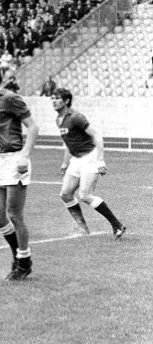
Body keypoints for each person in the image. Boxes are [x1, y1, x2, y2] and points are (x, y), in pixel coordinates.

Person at [0, 62, 39, 281]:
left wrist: (25, 155)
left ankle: (22, 261)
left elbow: (33, 126)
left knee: (14, 215)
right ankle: (21, 256)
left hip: (14, 160)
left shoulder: (10, 98)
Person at [52, 89, 127, 238]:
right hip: (76, 160)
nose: (53, 101)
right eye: (52, 98)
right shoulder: (58, 119)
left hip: (90, 158)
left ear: (66, 101)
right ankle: (83, 228)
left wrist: (100, 160)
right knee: (66, 194)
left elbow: (96, 135)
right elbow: (69, 142)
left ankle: (117, 225)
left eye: (57, 98)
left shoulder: (76, 117)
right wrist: (65, 163)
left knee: (85, 195)